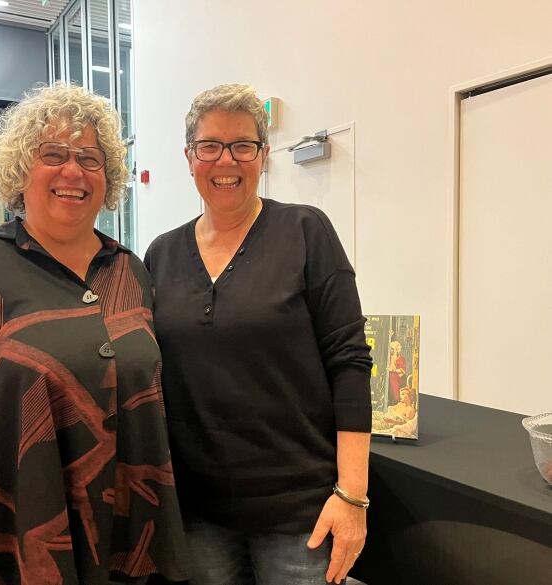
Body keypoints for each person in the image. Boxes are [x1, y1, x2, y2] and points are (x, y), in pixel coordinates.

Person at [0, 83, 188, 585]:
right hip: (27, 533)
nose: (73, 171)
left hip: (136, 534)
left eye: (90, 159)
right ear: (20, 170)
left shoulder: (130, 272)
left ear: (108, 177)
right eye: (53, 154)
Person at [144, 83, 373, 585]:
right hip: (198, 511)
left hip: (299, 515)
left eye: (242, 145)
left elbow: (350, 363)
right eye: (210, 146)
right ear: (189, 157)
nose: (226, 160)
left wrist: (352, 495)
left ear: (263, 155)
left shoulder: (306, 232)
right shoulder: (160, 255)